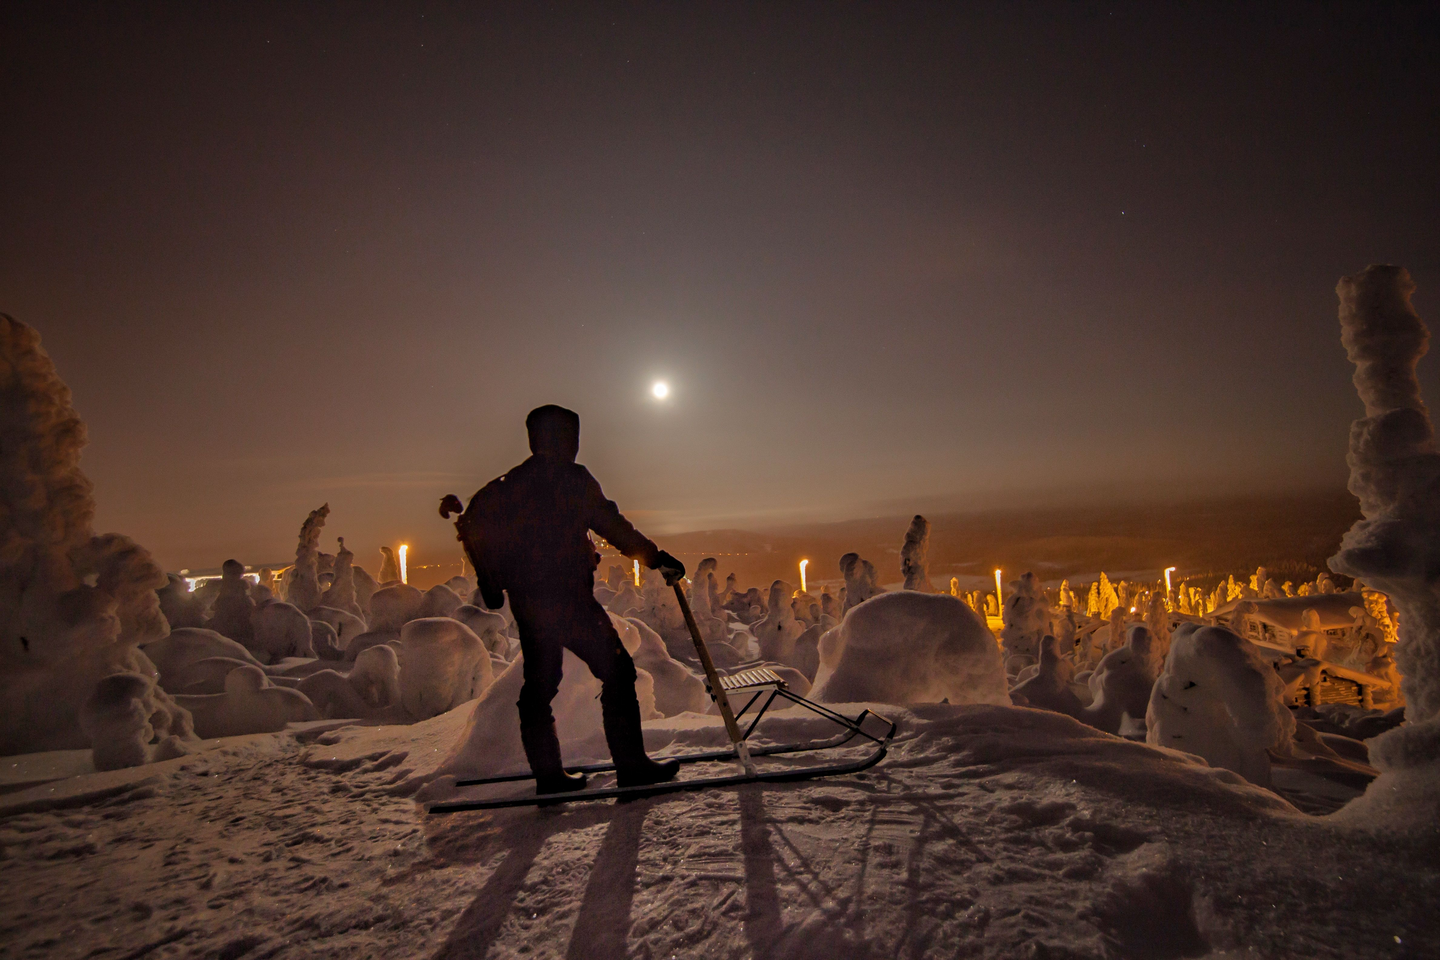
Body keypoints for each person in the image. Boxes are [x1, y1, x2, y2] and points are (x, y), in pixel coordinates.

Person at [443, 404, 686, 795]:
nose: (575, 444)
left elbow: (476, 528)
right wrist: (656, 559)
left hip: (528, 603)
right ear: (563, 438)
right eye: (572, 436)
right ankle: (631, 767)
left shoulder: (510, 484)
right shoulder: (572, 479)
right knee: (618, 672)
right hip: (569, 599)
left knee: (540, 686)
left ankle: (549, 778)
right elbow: (613, 527)